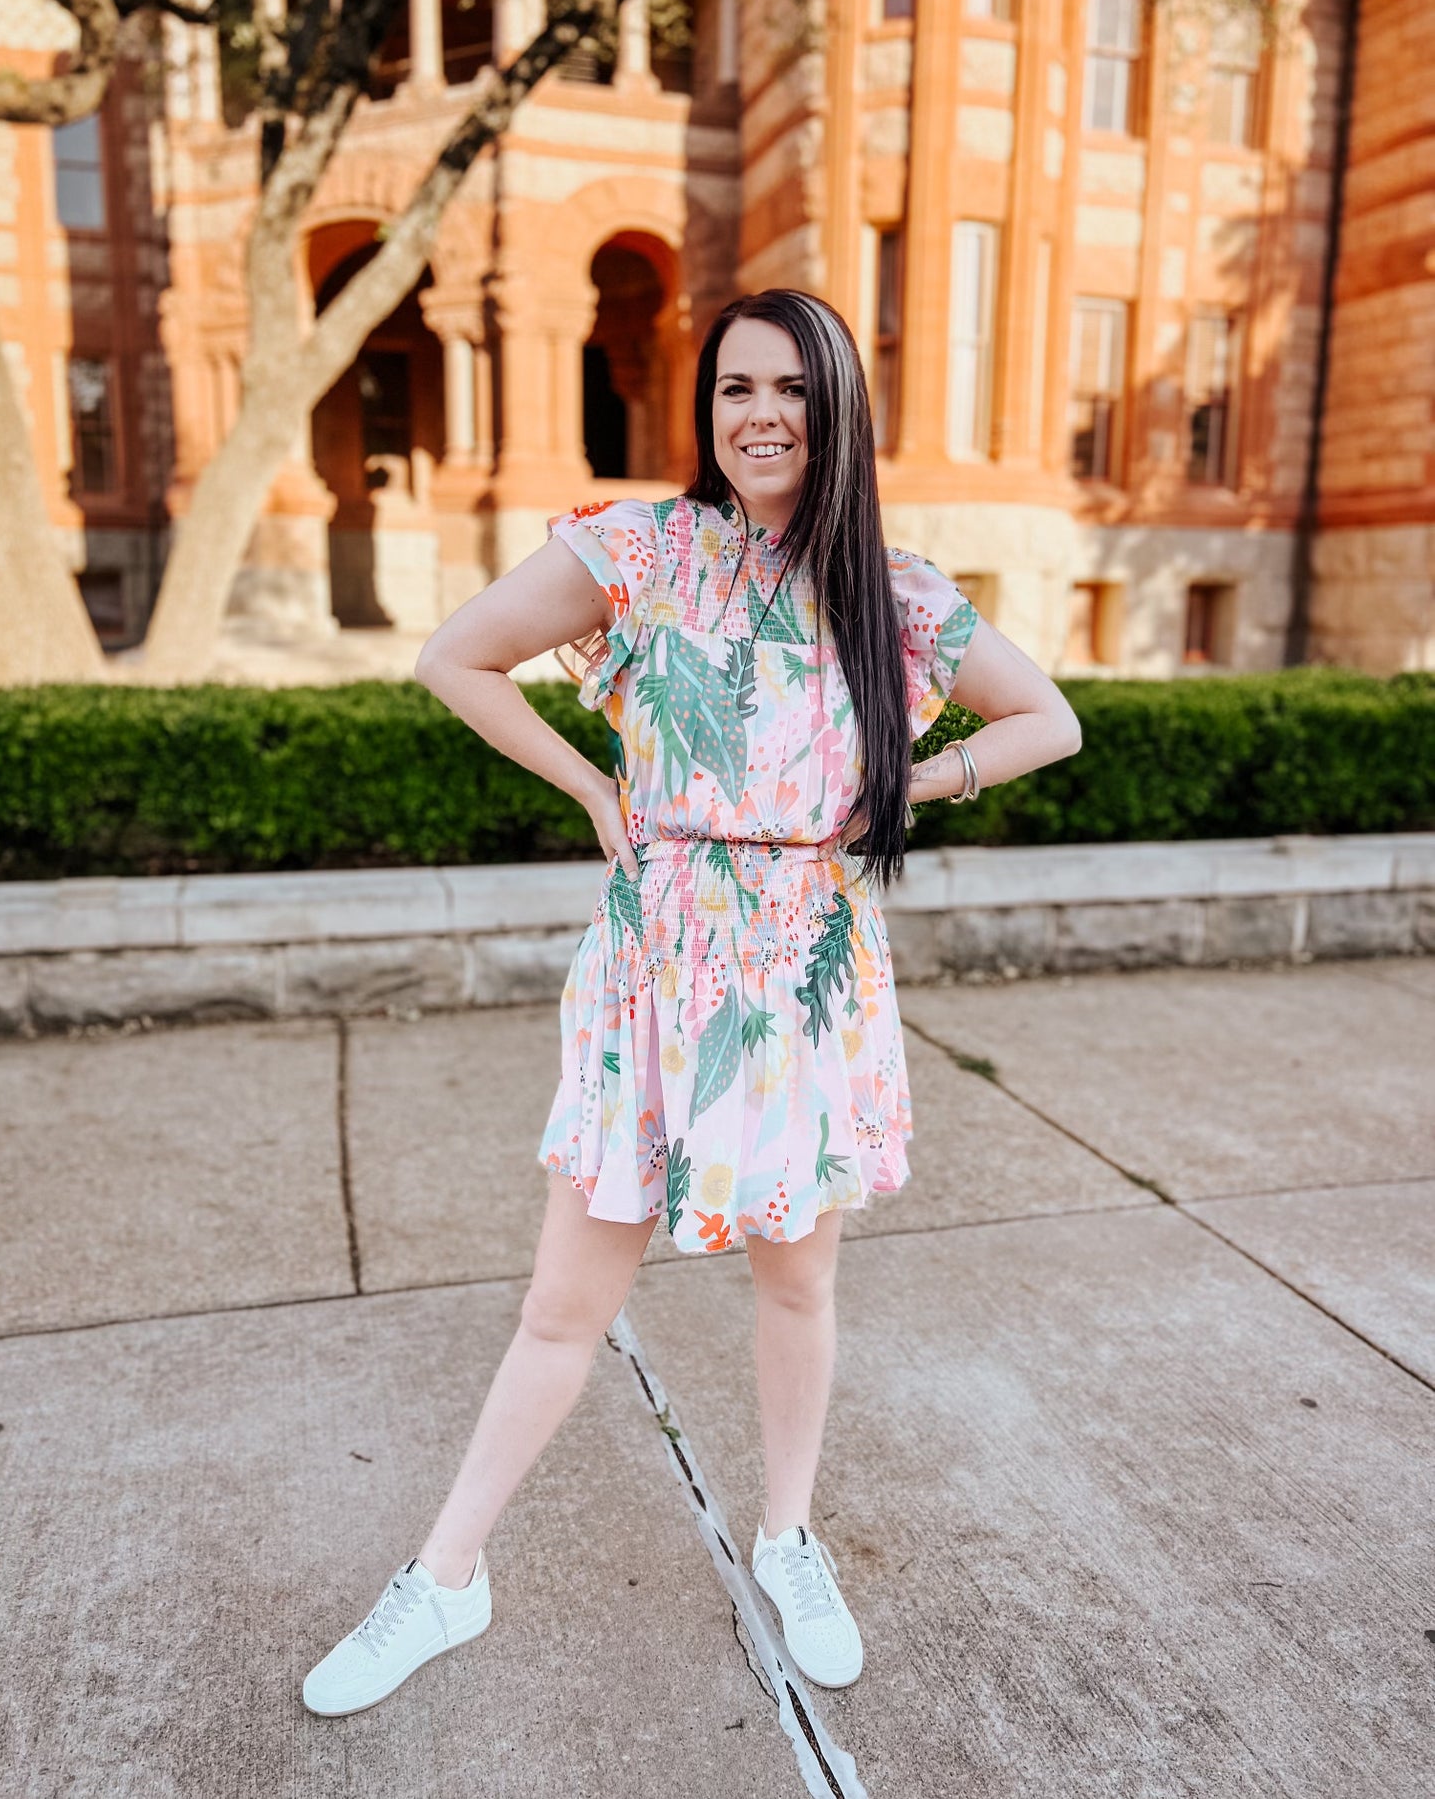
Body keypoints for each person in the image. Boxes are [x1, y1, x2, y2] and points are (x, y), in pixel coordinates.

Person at [301, 287, 1081, 1718]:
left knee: (797, 1279)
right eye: (733, 389)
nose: (760, 415)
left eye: (790, 388)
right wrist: (593, 783)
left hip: (802, 982)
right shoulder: (641, 551)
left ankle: (787, 1539)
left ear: (838, 408)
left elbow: (1049, 719)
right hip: (654, 975)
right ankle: (446, 1577)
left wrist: (913, 783)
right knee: (563, 1304)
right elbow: (454, 656)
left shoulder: (890, 592)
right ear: (704, 408)